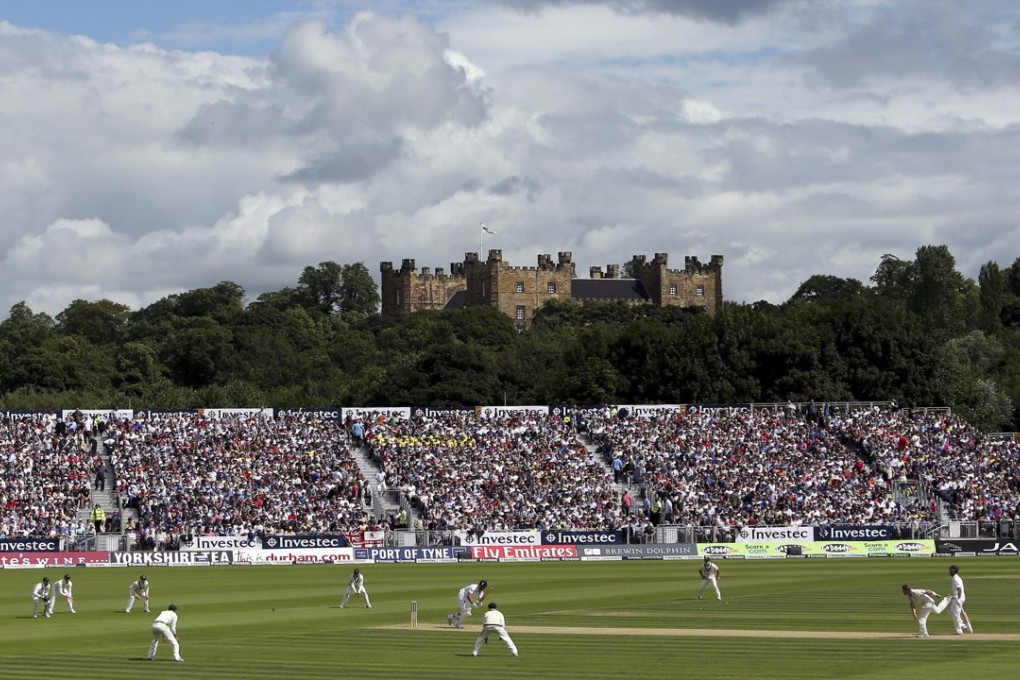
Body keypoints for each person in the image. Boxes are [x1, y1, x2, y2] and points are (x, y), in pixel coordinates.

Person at [942, 565, 970, 635]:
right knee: (951, 612)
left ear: (953, 571)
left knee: (955, 614)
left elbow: (959, 588)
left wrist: (958, 598)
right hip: (957, 598)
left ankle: (958, 630)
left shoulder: (956, 579)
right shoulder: (956, 578)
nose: (949, 572)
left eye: (950, 570)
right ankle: (961, 625)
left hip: (958, 598)